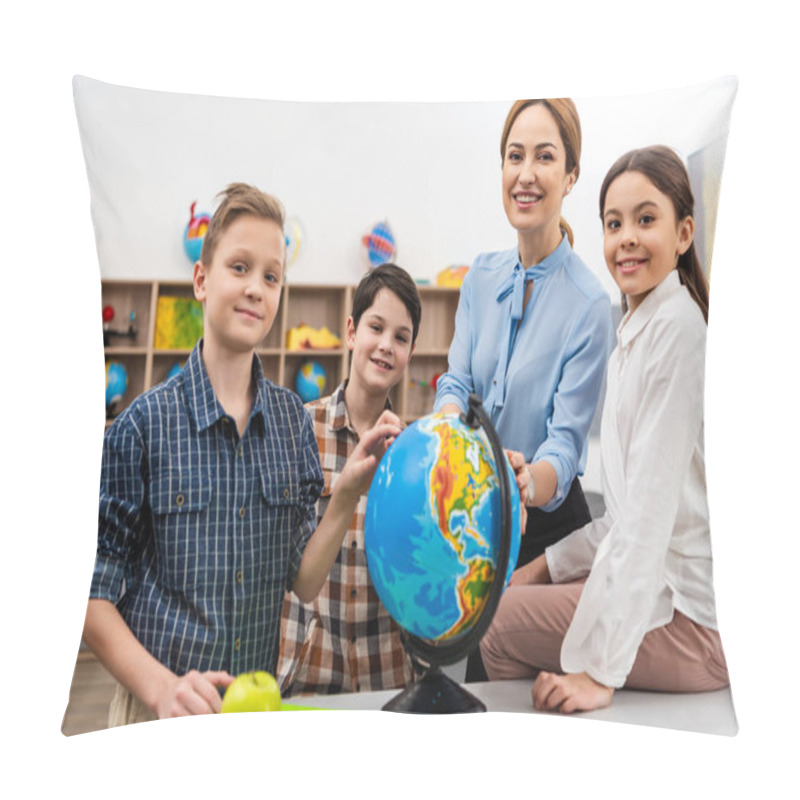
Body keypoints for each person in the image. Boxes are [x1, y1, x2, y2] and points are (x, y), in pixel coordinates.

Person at [83, 183, 402, 724]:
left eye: (271, 276)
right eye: (240, 267)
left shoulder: (291, 424)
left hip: (251, 711)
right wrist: (163, 689)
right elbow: (91, 598)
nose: (256, 287)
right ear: (201, 280)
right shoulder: (140, 428)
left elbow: (302, 579)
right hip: (156, 711)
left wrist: (346, 491)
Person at [479, 146, 729, 713]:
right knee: (514, 591)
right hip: (661, 595)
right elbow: (620, 518)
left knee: (493, 624)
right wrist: (542, 567)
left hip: (689, 621)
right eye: (614, 224)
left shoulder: (678, 331)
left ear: (684, 233)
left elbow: (646, 520)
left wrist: (599, 671)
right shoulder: (639, 331)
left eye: (646, 219)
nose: (627, 239)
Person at [433, 99, 614, 681]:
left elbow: (565, 446)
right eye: (515, 156)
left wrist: (525, 481)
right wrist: (448, 431)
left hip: (548, 529)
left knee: (537, 704)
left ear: (571, 176)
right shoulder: (480, 279)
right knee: (480, 690)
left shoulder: (589, 304)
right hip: (480, 515)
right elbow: (455, 380)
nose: (526, 173)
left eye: (545, 156)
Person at [277, 263, 421, 696]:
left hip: (388, 676)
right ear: (352, 331)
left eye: (401, 337)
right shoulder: (298, 429)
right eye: (376, 328)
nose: (385, 346)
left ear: (411, 352)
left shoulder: (414, 453)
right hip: (307, 674)